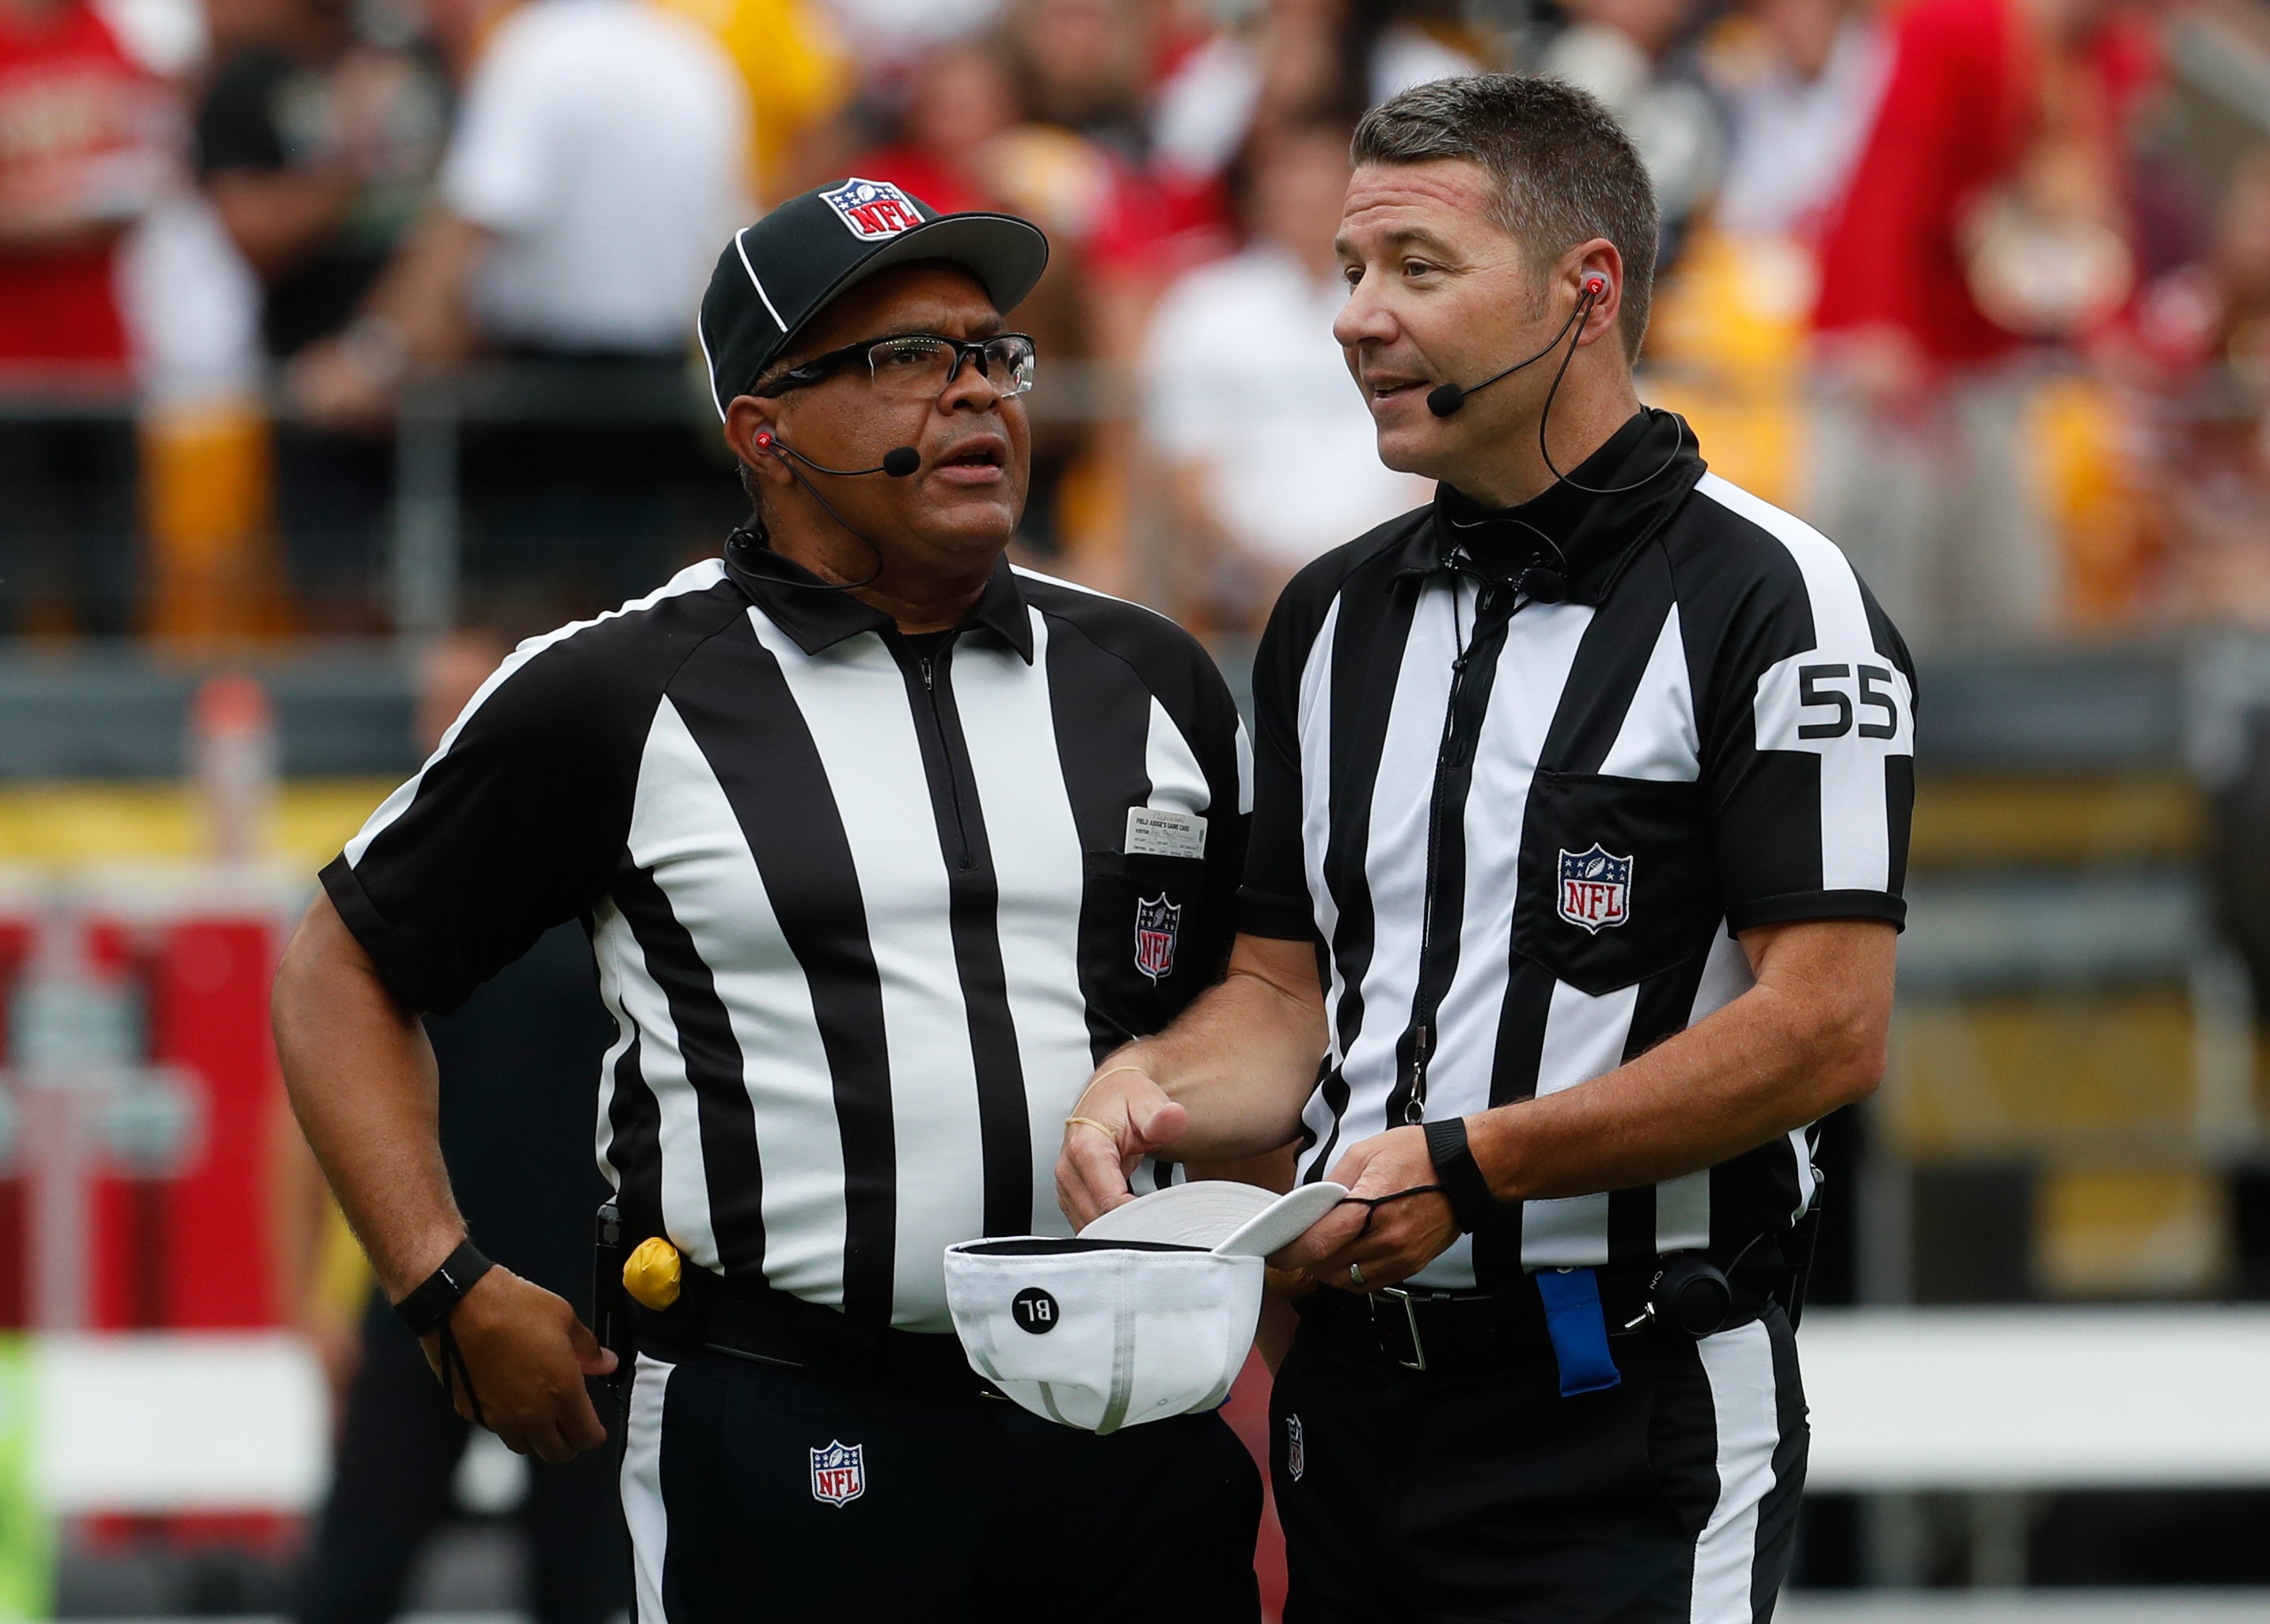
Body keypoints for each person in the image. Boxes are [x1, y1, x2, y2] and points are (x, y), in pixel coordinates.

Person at [270, 177, 1262, 1622]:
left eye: (993, 352)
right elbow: (338, 967)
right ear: (764, 429)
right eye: (908, 356)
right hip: (790, 1416)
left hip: (1127, 1417)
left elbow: (1258, 1001)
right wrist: (439, 1278)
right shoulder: (617, 688)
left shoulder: (1152, 676)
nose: (977, 390)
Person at [1057, 74, 1912, 1623]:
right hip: (1352, 1401)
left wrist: (1479, 1163)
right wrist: (1152, 1083)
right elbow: (1284, 997)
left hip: (1624, 1398)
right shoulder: (1327, 617)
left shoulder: (1775, 599)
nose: (1355, 319)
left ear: (1585, 290)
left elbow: (1826, 1027)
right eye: (1348, 271)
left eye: (1417, 268)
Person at [277, 628, 628, 1624]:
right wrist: (303, 1306)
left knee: (586, 1595)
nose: (449, 724)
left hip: (585, 1308)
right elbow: (296, 1110)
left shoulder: (600, 872)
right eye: (435, 704)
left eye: (471, 700)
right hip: (422, 1289)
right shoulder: (374, 893)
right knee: (347, 1588)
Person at [291, 0, 752, 619]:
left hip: (547, 397)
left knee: (519, 625)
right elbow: (723, 240)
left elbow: (473, 220)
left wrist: (369, 357)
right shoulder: (693, 61)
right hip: (659, 390)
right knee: (645, 620)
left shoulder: (534, 54)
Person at [1807, 0, 2156, 647]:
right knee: (1877, 581)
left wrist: (2113, 323)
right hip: (1891, 354)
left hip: (1991, 361)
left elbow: (2092, 207)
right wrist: (1880, 324)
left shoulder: (2107, 54)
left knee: (2004, 589)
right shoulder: (1955, 25)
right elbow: (1891, 177)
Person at [1142, 118, 1429, 629]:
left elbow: (1431, 456)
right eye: (1294, 197)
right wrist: (1269, 576)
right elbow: (1183, 468)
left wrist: (1380, 561)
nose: (1310, 215)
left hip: (1398, 576)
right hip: (1243, 595)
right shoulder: (1202, 306)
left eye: (1325, 198)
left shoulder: (1414, 306)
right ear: (1260, 200)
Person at [0, 0, 174, 635]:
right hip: (12, 370)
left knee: (114, 587)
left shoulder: (106, 33)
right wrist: (63, 213)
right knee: (14, 586)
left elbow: (149, 173)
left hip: (103, 363)